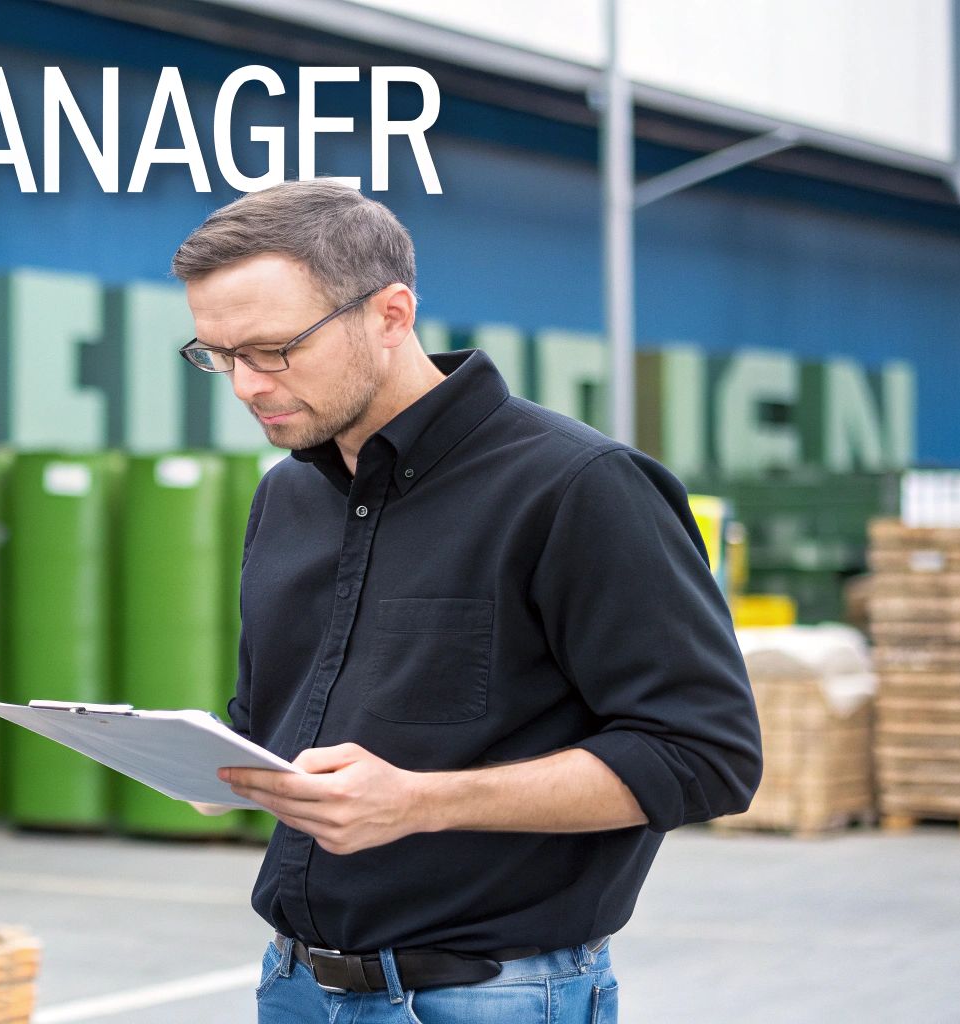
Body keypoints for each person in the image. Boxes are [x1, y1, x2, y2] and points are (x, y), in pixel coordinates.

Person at [173, 180, 762, 1023]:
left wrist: (419, 801)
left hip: (492, 999)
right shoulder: (287, 499)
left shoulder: (578, 488)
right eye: (217, 355)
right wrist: (219, 764)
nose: (244, 385)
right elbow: (278, 718)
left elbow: (704, 756)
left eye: (273, 349)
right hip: (296, 988)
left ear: (390, 313)